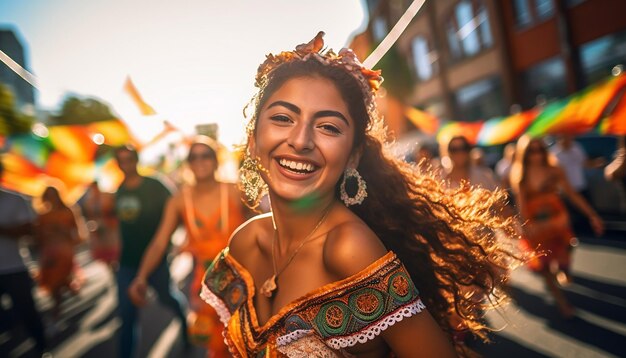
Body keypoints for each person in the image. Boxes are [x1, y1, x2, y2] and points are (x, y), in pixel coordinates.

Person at [200, 32, 521, 357]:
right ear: (253, 141)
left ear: (353, 156)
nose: (300, 140)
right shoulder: (245, 241)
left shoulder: (349, 247)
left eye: (328, 127)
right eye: (283, 118)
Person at [128, 136, 247, 356]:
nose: (200, 161)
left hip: (245, 280)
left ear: (216, 160)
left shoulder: (235, 191)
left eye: (206, 155)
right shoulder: (179, 200)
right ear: (188, 163)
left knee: (247, 342)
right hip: (207, 285)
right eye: (193, 157)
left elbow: (267, 228)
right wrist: (141, 277)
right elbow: (160, 241)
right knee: (218, 345)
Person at [510, 135, 604, 318]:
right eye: (531, 151)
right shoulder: (519, 173)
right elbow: (520, 204)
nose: (536, 155)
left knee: (566, 252)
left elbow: (571, 193)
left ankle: (564, 270)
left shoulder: (554, 169)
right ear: (524, 153)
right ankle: (562, 303)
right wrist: (523, 226)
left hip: (558, 221)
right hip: (535, 224)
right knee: (543, 264)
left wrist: (592, 214)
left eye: (539, 149)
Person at [113, 144, 189, 358]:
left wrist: (169, 242)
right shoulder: (120, 189)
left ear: (136, 160)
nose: (125, 164)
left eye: (129, 159)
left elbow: (178, 211)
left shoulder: (155, 185)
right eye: (121, 160)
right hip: (127, 262)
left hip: (156, 260)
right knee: (127, 315)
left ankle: (185, 326)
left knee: (167, 299)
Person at [0, 160, 47, 355]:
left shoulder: (14, 199)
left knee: (28, 311)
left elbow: (29, 230)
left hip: (15, 268)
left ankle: (41, 348)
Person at [34, 185, 86, 319]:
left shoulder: (68, 211)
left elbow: (78, 233)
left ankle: (58, 309)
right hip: (49, 253)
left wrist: (63, 232)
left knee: (60, 279)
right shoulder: (42, 216)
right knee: (54, 282)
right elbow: (38, 236)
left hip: (65, 252)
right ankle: (65, 297)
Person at [81, 181, 120, 270]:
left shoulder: (106, 197)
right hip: (98, 228)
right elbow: (88, 216)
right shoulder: (89, 201)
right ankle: (109, 264)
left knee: (112, 246)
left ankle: (113, 263)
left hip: (109, 226)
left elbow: (113, 211)